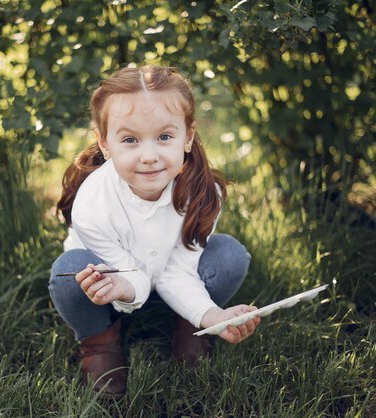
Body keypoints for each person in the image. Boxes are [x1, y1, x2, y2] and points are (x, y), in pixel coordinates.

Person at [49, 65, 261, 398]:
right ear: (105, 144)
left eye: (164, 137)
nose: (149, 156)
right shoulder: (93, 202)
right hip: (108, 292)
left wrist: (213, 316)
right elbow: (125, 274)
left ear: (187, 137)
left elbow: (179, 270)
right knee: (68, 272)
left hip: (173, 283)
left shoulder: (204, 194)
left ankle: (191, 327)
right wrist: (118, 285)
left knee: (230, 255)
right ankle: (100, 343)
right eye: (130, 140)